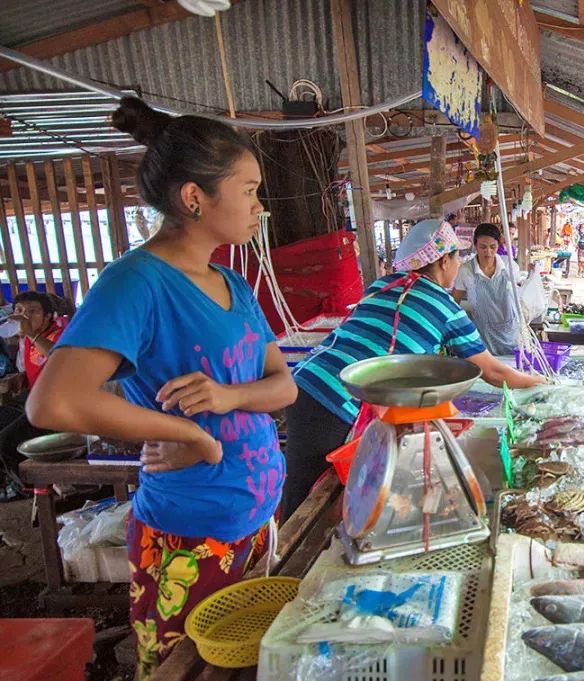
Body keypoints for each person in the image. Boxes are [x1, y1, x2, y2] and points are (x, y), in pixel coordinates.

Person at [26, 97, 298, 677]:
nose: (259, 206)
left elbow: (283, 388)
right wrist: (188, 434)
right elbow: (55, 401)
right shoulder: (137, 281)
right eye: (248, 190)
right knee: (184, 668)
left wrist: (227, 398)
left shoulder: (231, 281)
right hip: (189, 531)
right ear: (195, 197)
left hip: (254, 516)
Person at [284, 219, 544, 519]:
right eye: (457, 257)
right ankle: (286, 560)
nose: (459, 264)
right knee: (310, 501)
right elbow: (494, 373)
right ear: (443, 260)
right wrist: (539, 384)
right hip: (335, 396)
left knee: (306, 483)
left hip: (307, 380)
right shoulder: (444, 306)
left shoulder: (384, 284)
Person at [0, 291, 67, 500]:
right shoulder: (27, 337)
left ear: (48, 317)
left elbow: (59, 358)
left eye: (32, 311)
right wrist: (23, 376)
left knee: (6, 441)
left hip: (56, 401)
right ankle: (8, 480)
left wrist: (31, 334)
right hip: (33, 395)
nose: (25, 316)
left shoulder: (60, 334)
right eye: (20, 311)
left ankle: (29, 488)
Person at [453, 223, 523, 356]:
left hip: (512, 335)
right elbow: (454, 303)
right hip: (482, 339)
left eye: (493, 247)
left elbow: (520, 295)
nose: (488, 252)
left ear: (499, 244)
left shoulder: (510, 266)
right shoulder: (466, 270)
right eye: (482, 247)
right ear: (475, 245)